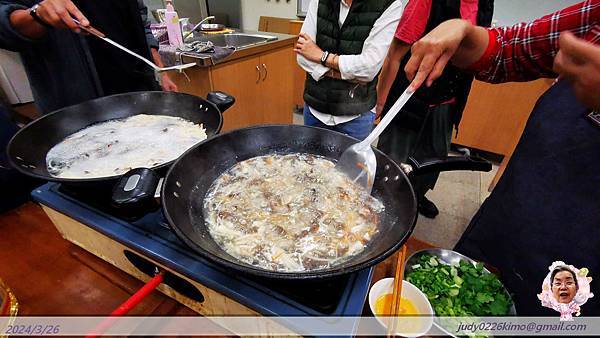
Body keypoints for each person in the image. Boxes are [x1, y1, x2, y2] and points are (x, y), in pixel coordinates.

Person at [403, 0, 600, 315]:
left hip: (582, 269)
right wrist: (466, 33)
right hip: (512, 216)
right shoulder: (595, 14)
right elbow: (512, 49)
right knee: (456, 309)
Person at [376, 0, 493, 218]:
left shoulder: (485, 3)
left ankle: (417, 197)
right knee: (393, 161)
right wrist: (382, 102)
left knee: (434, 156)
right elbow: (395, 54)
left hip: (448, 99)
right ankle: (382, 205)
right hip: (409, 96)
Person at [0, 0, 178, 115]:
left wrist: (161, 72)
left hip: (140, 92)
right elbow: (4, 28)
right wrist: (37, 15)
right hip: (77, 109)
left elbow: (140, 19)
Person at [294, 0, 403, 141]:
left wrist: (322, 57)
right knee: (309, 161)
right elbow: (302, 55)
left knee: (352, 163)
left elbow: (368, 69)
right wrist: (349, 74)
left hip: (356, 116)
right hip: (315, 108)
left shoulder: (389, 5)